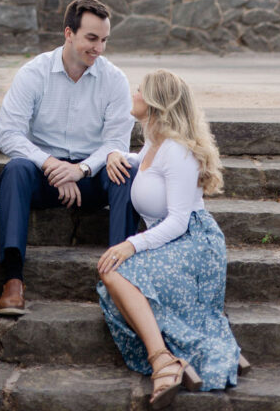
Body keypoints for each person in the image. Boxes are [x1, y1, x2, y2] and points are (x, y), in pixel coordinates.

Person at [97, 69, 244, 409]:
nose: (133, 94)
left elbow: (179, 220)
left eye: (140, 90)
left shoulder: (176, 150)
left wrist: (130, 244)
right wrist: (118, 155)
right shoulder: (154, 141)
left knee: (112, 271)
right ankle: (165, 356)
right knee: (110, 277)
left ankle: (161, 359)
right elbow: (143, 165)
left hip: (192, 241)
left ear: (155, 104)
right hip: (167, 239)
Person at [0, 0, 136, 316]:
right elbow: (8, 134)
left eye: (104, 40)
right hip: (44, 173)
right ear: (68, 33)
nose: (98, 48)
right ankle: (13, 279)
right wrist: (52, 165)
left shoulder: (114, 79)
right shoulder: (34, 73)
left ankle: (121, 277)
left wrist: (82, 170)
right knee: (15, 170)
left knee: (125, 170)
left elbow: (116, 141)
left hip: (91, 176)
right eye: (91, 38)